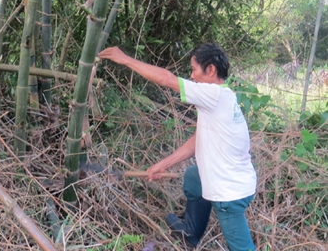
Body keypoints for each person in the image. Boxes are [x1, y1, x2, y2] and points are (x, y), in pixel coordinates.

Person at [98, 43, 256, 251]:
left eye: (193, 69)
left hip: (229, 192)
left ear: (210, 70)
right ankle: (191, 233)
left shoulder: (213, 94)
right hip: (237, 178)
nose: (191, 76)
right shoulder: (222, 97)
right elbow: (198, 140)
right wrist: (163, 164)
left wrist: (126, 59)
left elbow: (166, 79)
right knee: (193, 176)